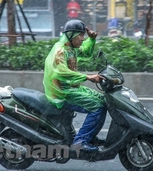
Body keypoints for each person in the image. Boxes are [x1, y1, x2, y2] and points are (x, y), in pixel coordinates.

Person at [43, 19, 107, 151]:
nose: (82, 39)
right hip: (61, 92)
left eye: (83, 35)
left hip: (72, 87)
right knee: (97, 107)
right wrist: (87, 77)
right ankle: (80, 142)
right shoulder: (60, 51)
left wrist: (92, 39)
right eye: (80, 36)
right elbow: (61, 72)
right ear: (71, 35)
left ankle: (89, 136)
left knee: (103, 100)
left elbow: (86, 53)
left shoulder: (71, 48)